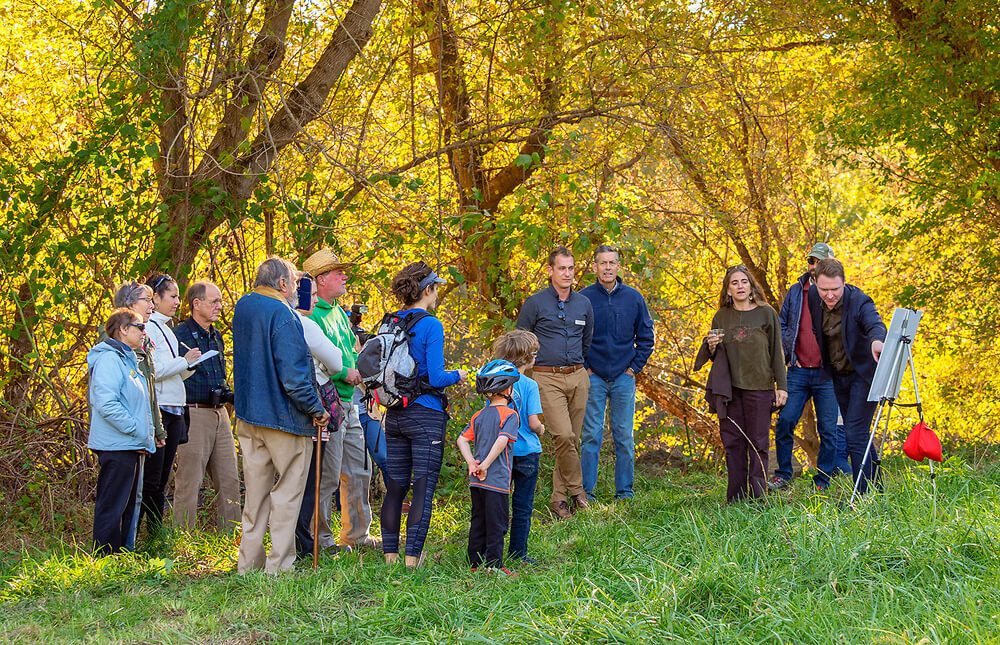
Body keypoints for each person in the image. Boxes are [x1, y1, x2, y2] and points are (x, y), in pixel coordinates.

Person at [232, 257, 330, 574]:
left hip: (248, 416)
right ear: (283, 284)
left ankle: (248, 563)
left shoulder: (244, 306)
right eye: (294, 283)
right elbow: (295, 377)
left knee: (256, 494)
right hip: (284, 419)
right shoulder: (284, 315)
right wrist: (316, 408)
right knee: (287, 494)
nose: (297, 291)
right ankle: (280, 565)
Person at [379, 261, 467, 567]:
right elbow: (436, 377)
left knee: (395, 487)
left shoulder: (389, 322)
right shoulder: (431, 325)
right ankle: (412, 560)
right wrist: (461, 374)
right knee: (422, 488)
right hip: (425, 415)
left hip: (394, 413)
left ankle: (390, 557)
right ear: (428, 290)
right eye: (436, 288)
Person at [303, 249, 379, 552]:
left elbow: (352, 348)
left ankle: (357, 535)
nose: (344, 277)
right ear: (321, 280)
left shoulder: (337, 310)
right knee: (328, 474)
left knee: (360, 469)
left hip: (352, 401)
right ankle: (321, 540)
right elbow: (316, 362)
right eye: (338, 273)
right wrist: (344, 372)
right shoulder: (311, 315)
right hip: (329, 404)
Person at [697, 265, 788, 503]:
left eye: (744, 282)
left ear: (751, 286)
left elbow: (776, 352)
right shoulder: (722, 316)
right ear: (728, 290)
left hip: (760, 388)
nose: (740, 286)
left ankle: (759, 497)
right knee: (733, 443)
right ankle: (736, 498)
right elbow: (715, 356)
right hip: (730, 390)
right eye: (734, 283)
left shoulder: (766, 313)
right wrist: (712, 346)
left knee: (758, 443)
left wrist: (782, 387)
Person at [516, 246, 594, 519]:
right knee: (562, 435)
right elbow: (520, 341)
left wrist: (583, 370)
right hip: (546, 376)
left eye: (571, 268)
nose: (567, 273)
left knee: (573, 439)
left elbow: (588, 341)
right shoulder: (535, 304)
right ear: (550, 271)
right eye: (562, 268)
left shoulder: (583, 304)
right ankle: (578, 492)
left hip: (578, 375)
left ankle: (559, 500)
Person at [580, 245, 655, 501]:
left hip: (624, 377)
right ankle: (585, 493)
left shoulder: (633, 298)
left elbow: (646, 337)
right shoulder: (584, 298)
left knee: (624, 436)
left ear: (618, 266)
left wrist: (634, 369)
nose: (608, 267)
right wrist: (585, 368)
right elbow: (574, 338)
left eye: (612, 263)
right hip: (594, 377)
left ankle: (625, 492)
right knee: (591, 436)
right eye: (603, 263)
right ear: (595, 267)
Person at [807, 258, 886, 495]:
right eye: (824, 290)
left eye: (835, 289)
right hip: (838, 375)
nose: (829, 295)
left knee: (853, 432)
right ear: (816, 285)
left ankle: (861, 493)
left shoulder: (859, 301)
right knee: (858, 432)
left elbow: (875, 324)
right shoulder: (813, 297)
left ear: (844, 283)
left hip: (864, 375)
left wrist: (877, 342)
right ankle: (876, 487)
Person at [770, 243, 845, 491]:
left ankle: (823, 479)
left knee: (829, 429)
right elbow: (781, 324)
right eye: (812, 261)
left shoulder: (837, 293)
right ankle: (783, 474)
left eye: (820, 262)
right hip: (798, 371)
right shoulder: (795, 291)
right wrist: (790, 352)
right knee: (785, 421)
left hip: (826, 374)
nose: (814, 266)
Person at [172, 281, 242, 530]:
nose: (219, 307)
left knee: (229, 479)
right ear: (196, 304)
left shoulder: (216, 334)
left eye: (220, 301)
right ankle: (183, 539)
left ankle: (231, 536)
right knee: (189, 481)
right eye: (214, 302)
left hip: (219, 412)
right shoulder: (179, 335)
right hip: (194, 412)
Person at [87, 309, 156, 555]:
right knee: (113, 504)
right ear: (123, 329)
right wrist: (134, 428)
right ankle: (104, 557)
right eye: (139, 326)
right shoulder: (109, 359)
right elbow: (105, 402)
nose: (144, 331)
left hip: (131, 443)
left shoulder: (128, 359)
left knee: (127, 505)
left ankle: (121, 556)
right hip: (117, 444)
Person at [141, 273, 202, 535]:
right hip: (162, 407)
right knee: (153, 478)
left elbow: (175, 369)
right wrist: (184, 361)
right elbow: (155, 370)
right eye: (173, 296)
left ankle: (156, 532)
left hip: (177, 405)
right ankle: (145, 532)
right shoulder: (148, 328)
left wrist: (190, 364)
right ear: (156, 297)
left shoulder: (166, 328)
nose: (178, 301)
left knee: (163, 477)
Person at [293, 277, 344, 560]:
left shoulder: (279, 322)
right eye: (311, 295)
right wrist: (324, 365)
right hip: (312, 408)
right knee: (310, 477)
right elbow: (336, 361)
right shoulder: (306, 324)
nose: (314, 300)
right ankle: (303, 541)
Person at [109, 281, 163, 545]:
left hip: (143, 430)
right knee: (117, 497)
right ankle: (109, 554)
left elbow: (149, 391)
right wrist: (136, 428)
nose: (152, 306)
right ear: (129, 305)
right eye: (147, 300)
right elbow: (110, 399)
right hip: (122, 435)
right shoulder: (112, 349)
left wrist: (157, 428)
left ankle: (128, 549)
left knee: (138, 493)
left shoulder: (143, 342)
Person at [457, 360, 521, 576]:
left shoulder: (479, 416)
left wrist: (471, 463)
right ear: (507, 388)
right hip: (496, 481)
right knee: (497, 523)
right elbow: (502, 441)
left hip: (476, 480)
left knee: (478, 520)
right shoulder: (510, 415)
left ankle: (474, 563)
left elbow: (461, 440)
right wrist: (484, 465)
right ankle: (494, 565)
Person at [492, 330, 545, 564]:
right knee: (523, 506)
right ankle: (518, 553)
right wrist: (542, 429)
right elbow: (533, 423)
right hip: (527, 453)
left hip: (502, 453)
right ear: (530, 357)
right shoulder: (530, 385)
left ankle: (494, 549)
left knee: (499, 502)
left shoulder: (496, 382)